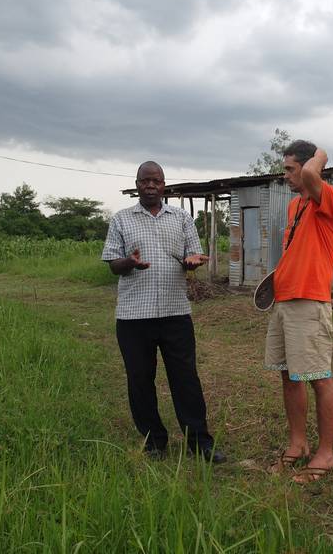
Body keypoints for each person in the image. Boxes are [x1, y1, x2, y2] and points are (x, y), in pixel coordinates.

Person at [101, 161, 225, 463]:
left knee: (185, 379)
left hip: (175, 313)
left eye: (156, 181)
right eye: (145, 181)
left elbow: (190, 255)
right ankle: (154, 442)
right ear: (137, 184)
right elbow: (112, 264)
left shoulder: (181, 217)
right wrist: (129, 262)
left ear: (164, 184)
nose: (151, 186)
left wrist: (192, 262)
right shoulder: (121, 219)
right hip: (133, 317)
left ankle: (199, 442)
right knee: (140, 380)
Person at [265, 140, 333, 483]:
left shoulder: (328, 199)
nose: (286, 176)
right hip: (285, 301)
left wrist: (319, 155)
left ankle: (325, 455)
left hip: (310, 302)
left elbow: (313, 172)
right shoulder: (294, 207)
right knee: (288, 374)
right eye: (284, 169)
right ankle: (298, 444)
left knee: (318, 377)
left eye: (290, 169)